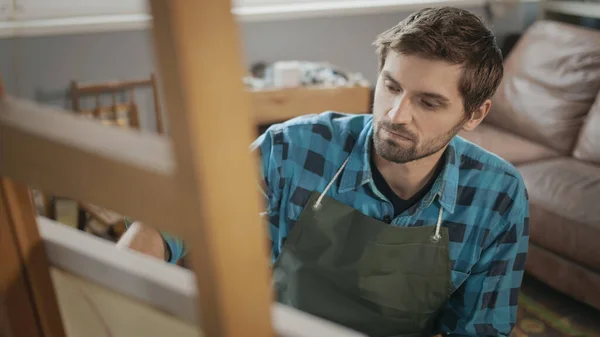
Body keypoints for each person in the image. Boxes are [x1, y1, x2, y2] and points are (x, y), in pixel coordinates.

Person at [120, 6, 529, 337]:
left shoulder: (497, 196)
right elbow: (173, 221)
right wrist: (112, 287)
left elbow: (482, 330)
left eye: (428, 102)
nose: (395, 115)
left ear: (474, 114)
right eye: (390, 86)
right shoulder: (294, 146)